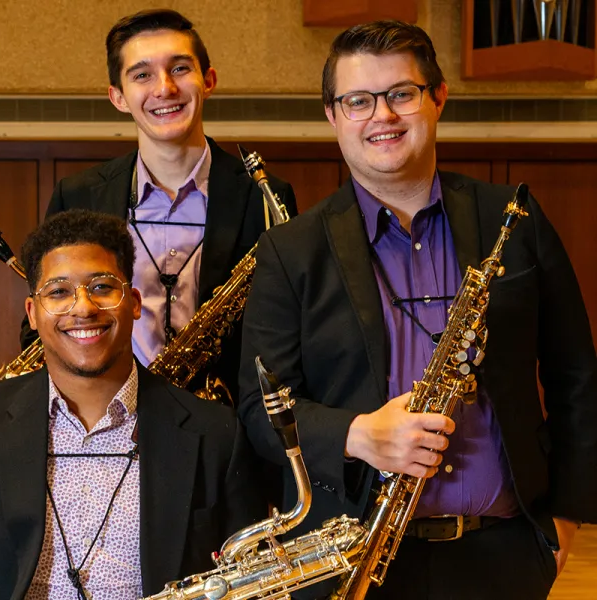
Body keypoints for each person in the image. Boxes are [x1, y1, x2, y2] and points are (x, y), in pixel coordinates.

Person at [238, 20, 597, 600]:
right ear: (333, 116)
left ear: (437, 98)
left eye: (401, 93)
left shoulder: (514, 221)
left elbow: (577, 379)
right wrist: (357, 434)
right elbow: (259, 409)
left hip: (503, 556)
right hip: (351, 562)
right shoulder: (289, 249)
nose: (381, 116)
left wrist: (563, 527)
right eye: (358, 100)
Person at [0, 209, 267, 599]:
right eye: (59, 291)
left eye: (102, 287)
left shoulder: (217, 434)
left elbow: (251, 581)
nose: (83, 307)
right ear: (33, 314)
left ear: (134, 302)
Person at [22, 9, 297, 401]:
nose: (164, 88)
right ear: (118, 96)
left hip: (225, 429)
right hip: (110, 420)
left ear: (209, 80)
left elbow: (285, 329)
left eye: (180, 68)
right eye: (142, 75)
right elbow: (39, 328)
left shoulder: (266, 196)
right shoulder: (78, 195)